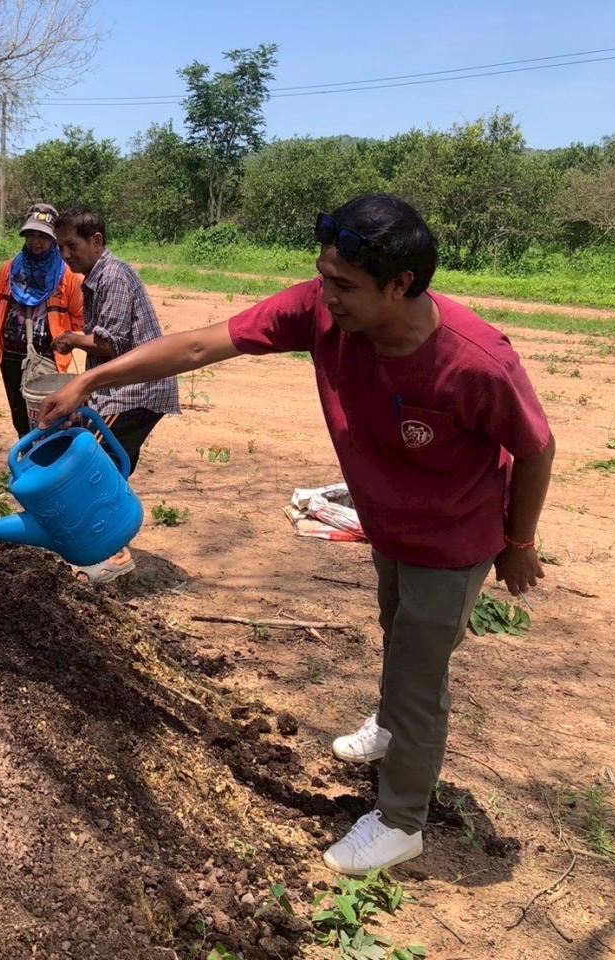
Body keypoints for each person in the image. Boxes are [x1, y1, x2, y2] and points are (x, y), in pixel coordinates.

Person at [40, 195, 554, 875]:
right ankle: (391, 722)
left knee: (420, 674)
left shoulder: (475, 361)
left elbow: (537, 448)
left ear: (399, 285)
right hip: (389, 525)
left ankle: (401, 820)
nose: (327, 296)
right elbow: (200, 344)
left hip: (454, 539)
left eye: (344, 285)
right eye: (323, 276)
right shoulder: (322, 310)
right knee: (396, 628)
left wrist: (519, 544)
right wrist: (95, 379)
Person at [50, 205, 180, 582]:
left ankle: (114, 553)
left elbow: (111, 343)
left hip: (136, 390)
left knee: (93, 466)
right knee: (113, 467)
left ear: (96, 241)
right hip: (130, 388)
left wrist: (72, 339)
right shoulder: (95, 278)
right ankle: (107, 545)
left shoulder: (114, 277)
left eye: (72, 246)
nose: (65, 255)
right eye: (61, 247)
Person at [0, 203, 84, 439]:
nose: (36, 241)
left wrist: (69, 343)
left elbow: (80, 319)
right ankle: (27, 456)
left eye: (42, 236)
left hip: (48, 357)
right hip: (11, 355)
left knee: (49, 418)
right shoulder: (10, 270)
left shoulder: (66, 275)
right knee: (20, 418)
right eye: (31, 235)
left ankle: (47, 458)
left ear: (54, 239)